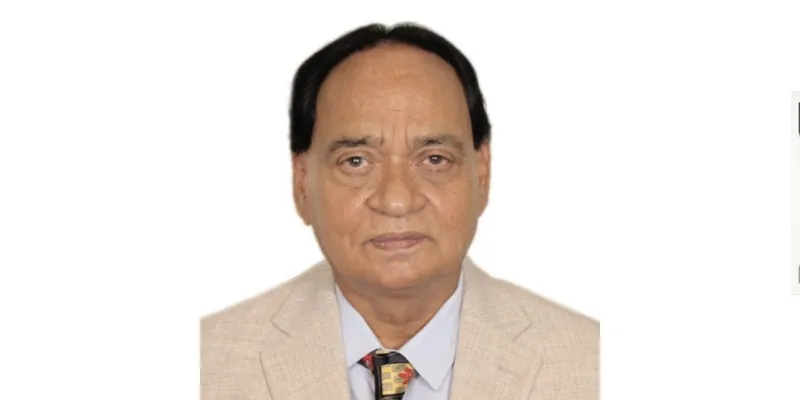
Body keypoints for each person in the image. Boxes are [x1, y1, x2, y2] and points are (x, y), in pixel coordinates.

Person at [201, 22, 599, 400]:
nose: (396, 201)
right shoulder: (207, 362)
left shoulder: (592, 363)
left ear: (482, 175)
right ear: (302, 182)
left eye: (435, 159)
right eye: (356, 161)